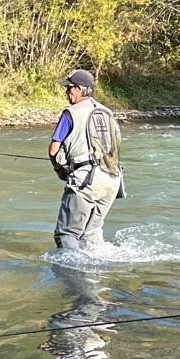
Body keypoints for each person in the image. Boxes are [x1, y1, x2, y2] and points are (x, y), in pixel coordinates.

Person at [47, 68, 124, 253]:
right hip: (112, 181)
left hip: (85, 180)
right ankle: (96, 276)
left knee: (67, 234)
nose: (66, 92)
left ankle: (73, 279)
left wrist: (60, 170)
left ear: (81, 89)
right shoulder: (107, 112)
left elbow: (53, 150)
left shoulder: (70, 113)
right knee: (91, 235)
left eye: (70, 88)